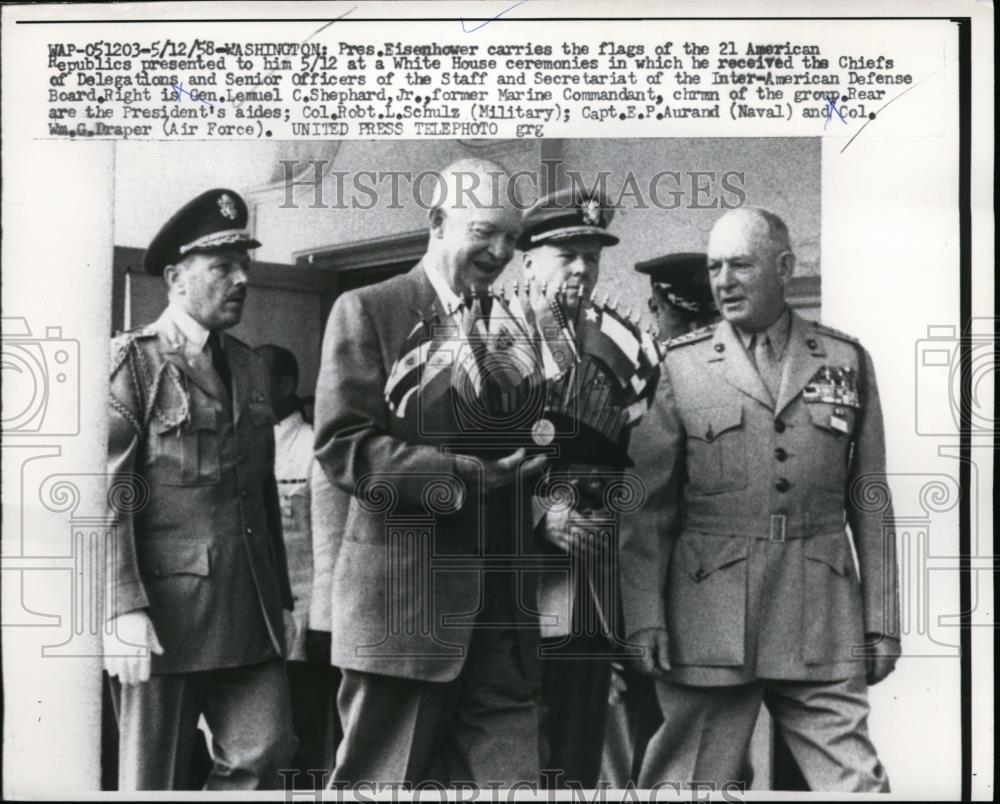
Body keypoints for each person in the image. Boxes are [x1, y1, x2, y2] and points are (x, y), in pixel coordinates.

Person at [620, 207, 901, 792]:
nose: (723, 281)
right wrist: (643, 618)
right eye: (715, 267)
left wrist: (882, 623)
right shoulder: (682, 366)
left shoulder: (845, 361)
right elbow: (648, 511)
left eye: (740, 265)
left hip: (819, 612)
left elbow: (869, 502)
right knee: (689, 784)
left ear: (784, 268)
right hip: (709, 617)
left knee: (856, 784)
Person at [313, 158, 547, 786]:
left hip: (500, 619)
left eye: (512, 237)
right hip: (404, 618)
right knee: (380, 787)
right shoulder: (367, 309)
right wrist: (465, 474)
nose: (501, 251)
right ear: (438, 223)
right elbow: (344, 448)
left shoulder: (517, 327)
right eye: (484, 231)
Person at [104, 189, 295, 790]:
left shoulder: (249, 365)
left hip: (248, 608)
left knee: (266, 753)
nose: (242, 279)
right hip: (163, 613)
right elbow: (105, 496)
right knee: (153, 777)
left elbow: (257, 491)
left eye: (245, 265)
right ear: (176, 278)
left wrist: (281, 601)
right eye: (222, 267)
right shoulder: (131, 364)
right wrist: (119, 609)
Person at [516, 187, 625, 788]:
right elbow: (451, 465)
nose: (583, 268)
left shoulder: (613, 355)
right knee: (508, 761)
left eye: (592, 254)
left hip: (589, 596)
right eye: (567, 253)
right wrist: (539, 516)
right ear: (527, 260)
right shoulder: (485, 347)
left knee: (577, 761)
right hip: (508, 597)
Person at [600, 251, 720, 788]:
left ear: (663, 307)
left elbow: (634, 506)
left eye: (654, 306)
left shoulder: (652, 377)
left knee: (639, 748)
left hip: (642, 591)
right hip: (712, 599)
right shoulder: (737, 373)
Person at [256, 344, 340, 785]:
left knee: (301, 735)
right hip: (251, 623)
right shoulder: (245, 444)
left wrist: (318, 623)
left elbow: (326, 543)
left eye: (260, 380)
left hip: (302, 622)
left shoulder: (313, 448)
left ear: (286, 386)